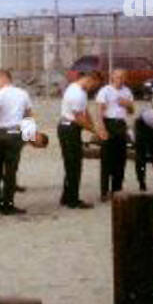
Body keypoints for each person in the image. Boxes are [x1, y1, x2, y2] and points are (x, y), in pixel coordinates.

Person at [0, 70, 32, 215]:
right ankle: (8, 204)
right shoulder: (23, 93)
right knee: (10, 171)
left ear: (4, 78)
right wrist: (29, 137)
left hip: (0, 133)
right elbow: (28, 115)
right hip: (15, 134)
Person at [57, 71, 106, 209]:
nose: (94, 88)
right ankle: (72, 200)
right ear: (90, 79)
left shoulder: (80, 90)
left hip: (71, 127)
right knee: (73, 165)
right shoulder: (76, 94)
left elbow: (86, 112)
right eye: (95, 85)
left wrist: (94, 127)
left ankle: (67, 196)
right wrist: (95, 131)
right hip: (69, 128)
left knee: (72, 164)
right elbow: (79, 118)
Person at [94, 68, 134, 199]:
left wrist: (127, 104)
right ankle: (104, 191)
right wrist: (101, 128)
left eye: (123, 77)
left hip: (120, 124)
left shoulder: (127, 91)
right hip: (108, 123)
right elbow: (99, 111)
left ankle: (117, 189)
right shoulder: (105, 91)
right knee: (107, 159)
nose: (120, 79)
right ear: (112, 77)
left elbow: (131, 111)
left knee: (120, 159)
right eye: (117, 77)